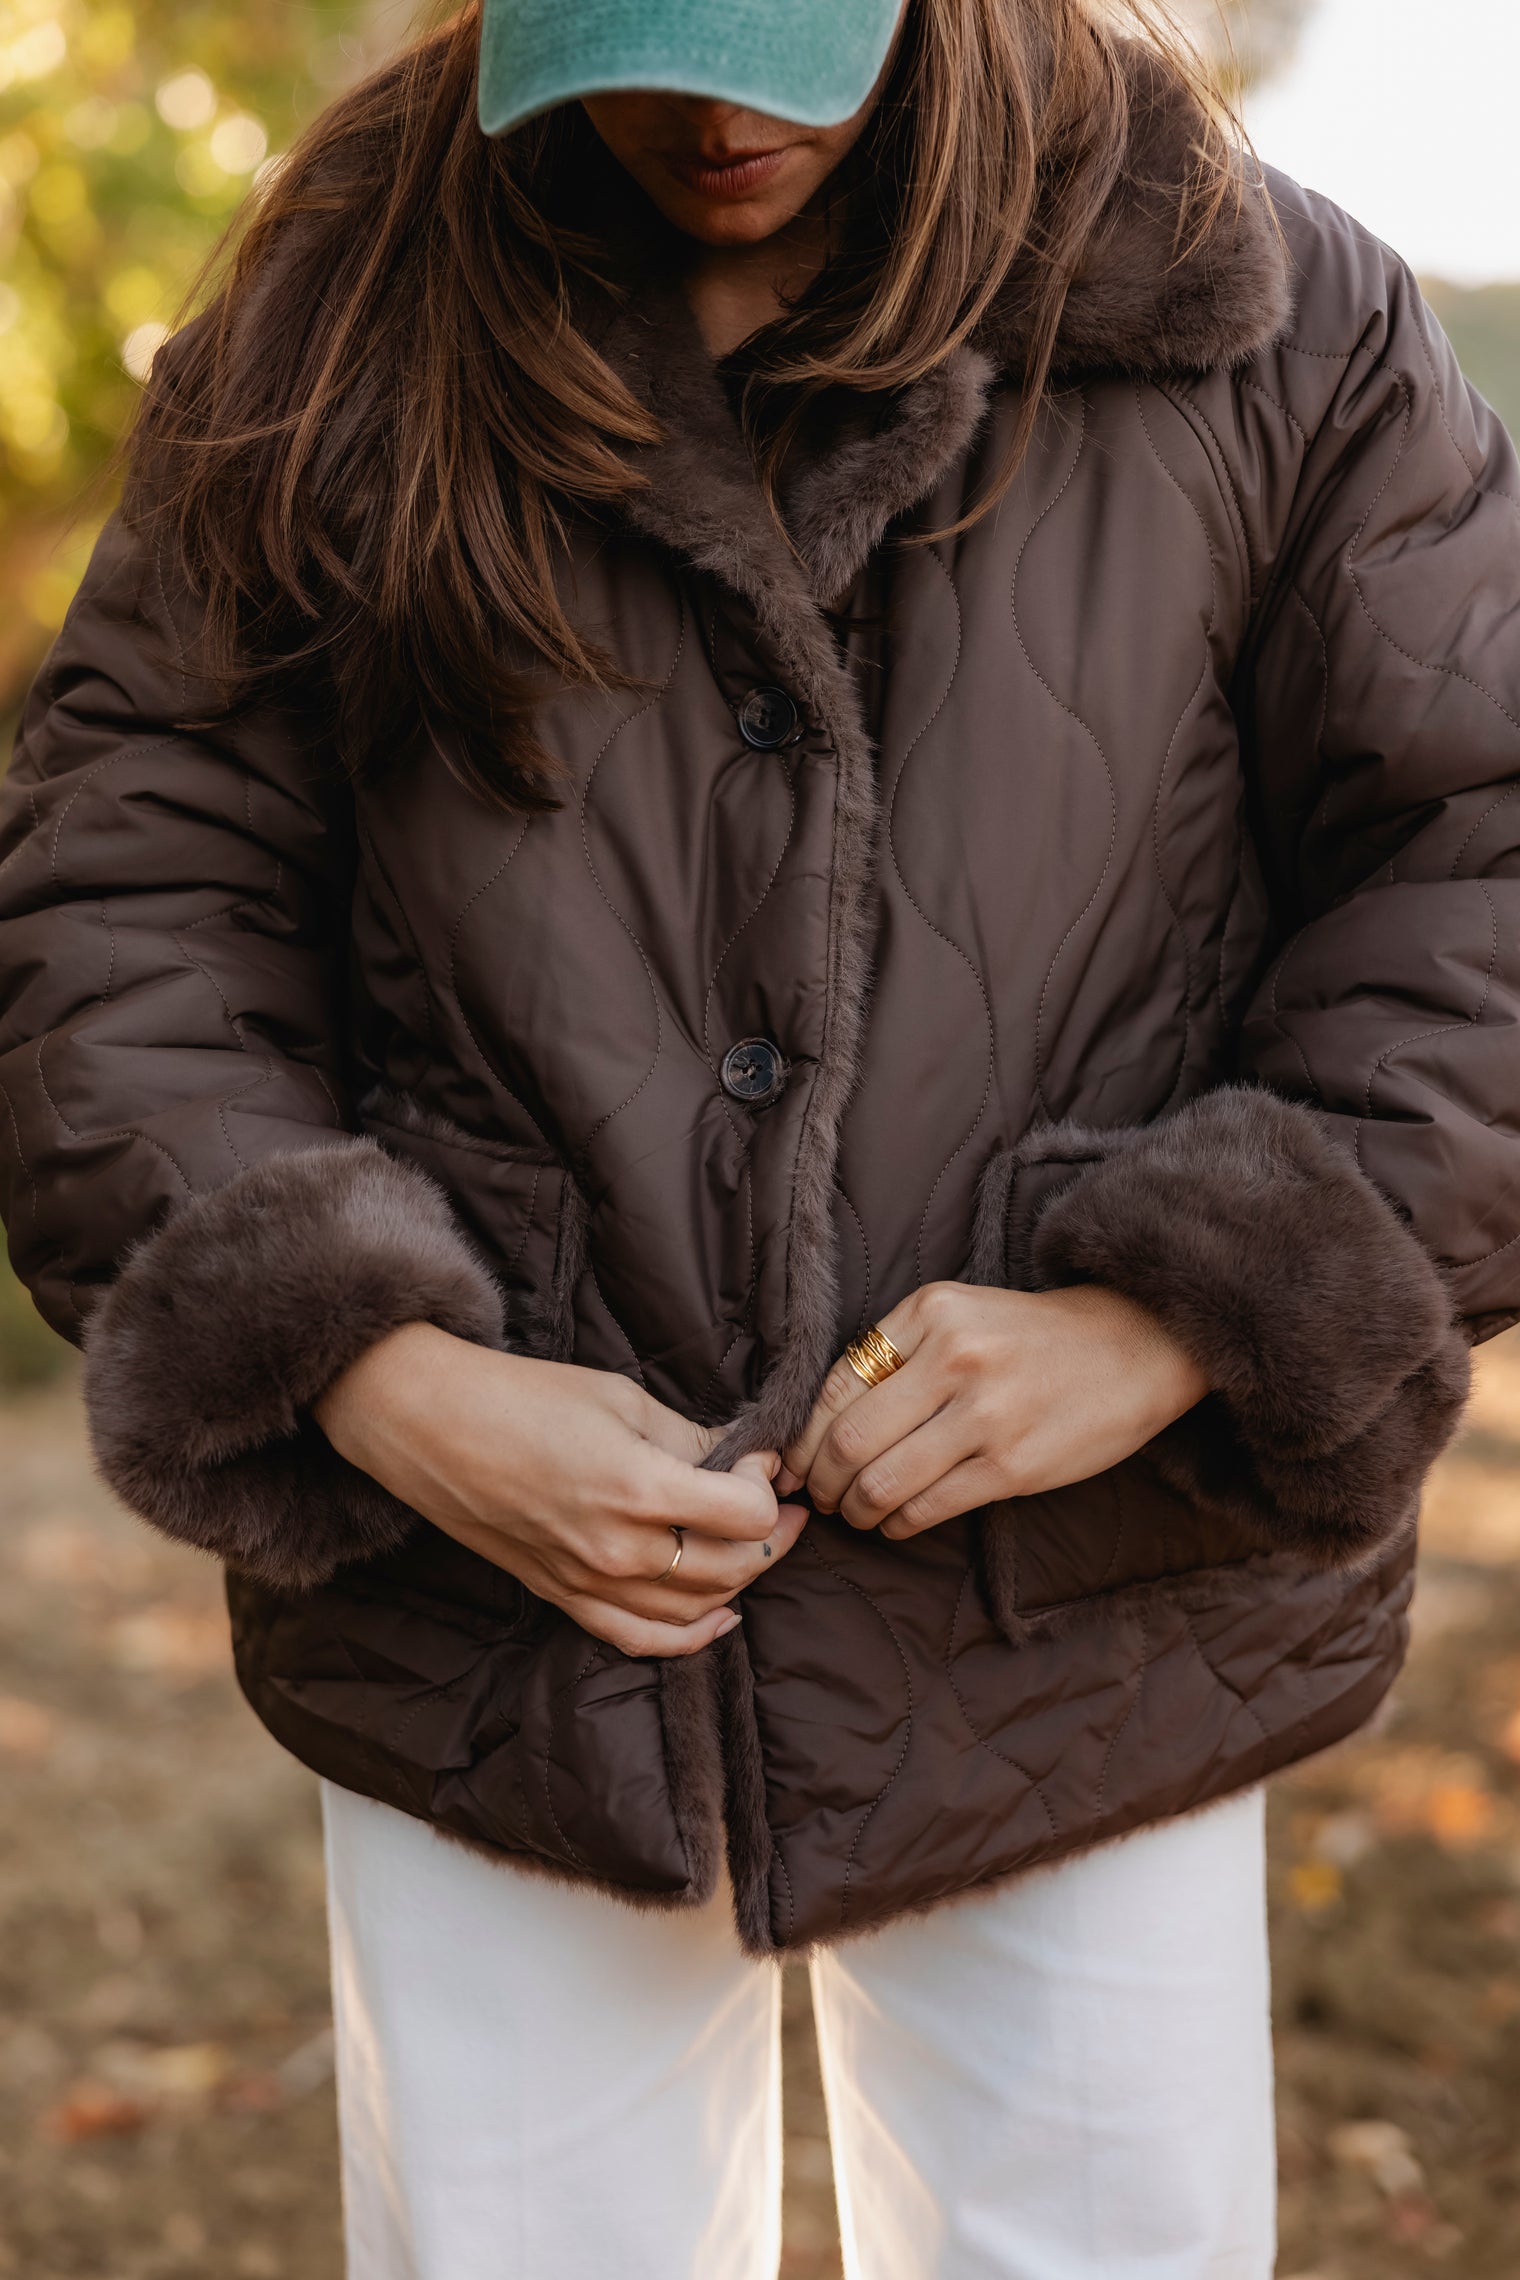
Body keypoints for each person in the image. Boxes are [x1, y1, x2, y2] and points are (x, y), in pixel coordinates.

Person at [2, 0, 1517, 2270]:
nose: (714, 111)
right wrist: (379, 1379)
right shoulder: (344, 298)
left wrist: (1173, 1324)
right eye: (632, 33)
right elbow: (124, 899)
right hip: (491, 1614)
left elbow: (1476, 860)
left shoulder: (1259, 307)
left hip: (1086, 1602)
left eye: (776, 31)